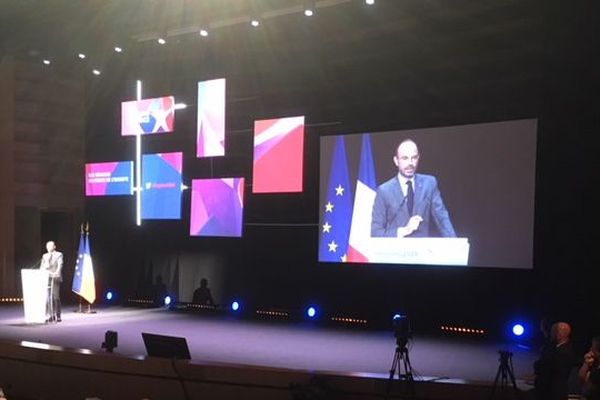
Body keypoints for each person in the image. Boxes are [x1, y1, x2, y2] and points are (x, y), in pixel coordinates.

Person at [371, 139, 456, 237]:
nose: (410, 163)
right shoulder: (384, 191)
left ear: (418, 158)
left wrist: (455, 246)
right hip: (396, 251)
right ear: (396, 161)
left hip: (422, 250)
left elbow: (442, 219)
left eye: (414, 158)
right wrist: (403, 231)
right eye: (405, 158)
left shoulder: (429, 183)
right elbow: (376, 233)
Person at [533, 321, 576, 400]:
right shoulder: (554, 347)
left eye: (553, 331)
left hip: (554, 391)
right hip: (548, 389)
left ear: (560, 333)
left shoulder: (564, 351)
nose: (551, 333)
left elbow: (552, 369)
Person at [40, 240, 63, 323]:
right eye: (47, 246)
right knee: (48, 298)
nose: (49, 248)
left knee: (55, 297)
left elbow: (60, 265)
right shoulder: (45, 256)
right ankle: (51, 315)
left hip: (55, 277)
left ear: (54, 247)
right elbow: (41, 267)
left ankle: (58, 315)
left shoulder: (59, 254)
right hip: (47, 278)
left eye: (51, 246)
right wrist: (44, 268)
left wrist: (56, 272)